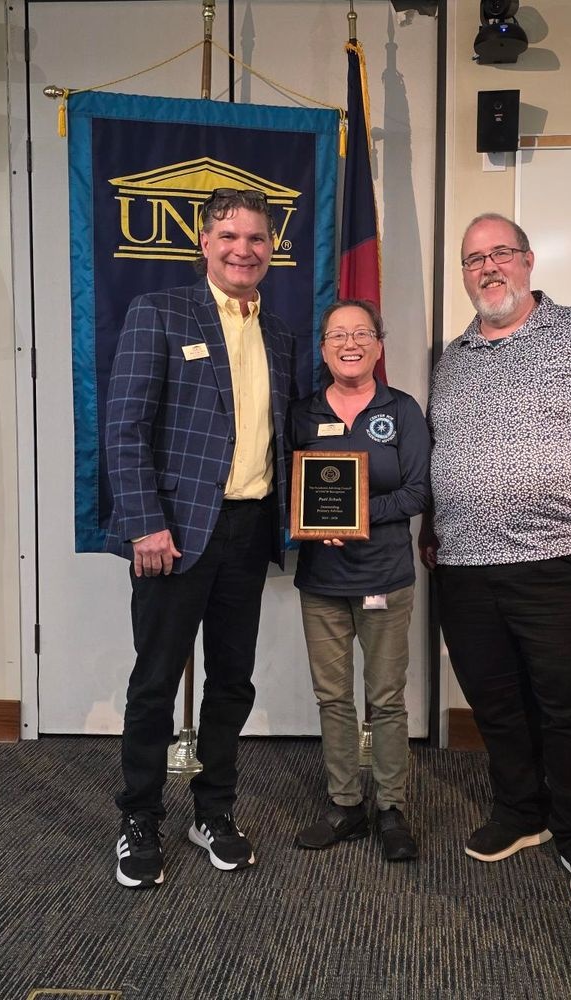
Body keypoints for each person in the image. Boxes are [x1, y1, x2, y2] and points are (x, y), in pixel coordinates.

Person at [421, 213, 571, 906]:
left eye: (500, 254)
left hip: (561, 557)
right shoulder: (452, 356)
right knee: (494, 702)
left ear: (527, 261)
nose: (488, 268)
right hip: (464, 565)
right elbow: (442, 450)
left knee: (568, 707)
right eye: (473, 260)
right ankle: (522, 812)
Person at [103, 188, 298, 889]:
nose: (243, 249)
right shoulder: (159, 312)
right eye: (230, 236)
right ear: (204, 243)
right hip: (174, 533)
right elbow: (124, 429)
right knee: (155, 682)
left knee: (232, 681)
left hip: (248, 531)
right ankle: (138, 818)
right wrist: (144, 521)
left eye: (256, 238)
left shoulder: (279, 334)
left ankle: (212, 811)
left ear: (270, 248)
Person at [288, 300, 429, 863]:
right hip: (321, 581)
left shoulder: (403, 410)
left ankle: (391, 806)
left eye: (362, 333)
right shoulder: (301, 413)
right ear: (323, 348)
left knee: (387, 698)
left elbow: (419, 491)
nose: (350, 343)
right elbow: (286, 489)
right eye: (337, 335)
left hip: (385, 580)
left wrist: (358, 514)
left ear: (378, 344)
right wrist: (311, 522)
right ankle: (345, 803)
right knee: (333, 697)